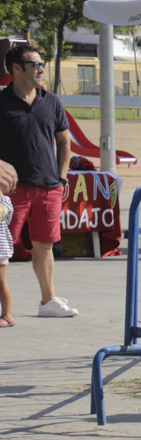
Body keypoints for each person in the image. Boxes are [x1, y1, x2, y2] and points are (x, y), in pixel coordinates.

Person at [0, 44, 76, 318]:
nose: (41, 69)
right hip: (9, 191)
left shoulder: (51, 101)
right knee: (1, 250)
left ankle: (48, 301)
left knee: (44, 245)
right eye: (36, 64)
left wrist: (62, 178)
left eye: (42, 63)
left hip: (48, 187)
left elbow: (64, 141)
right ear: (16, 69)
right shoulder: (1, 102)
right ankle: (3, 306)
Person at [0, 192, 12, 328]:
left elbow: (7, 219)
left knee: (2, 283)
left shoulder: (4, 202)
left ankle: (7, 315)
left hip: (1, 250)